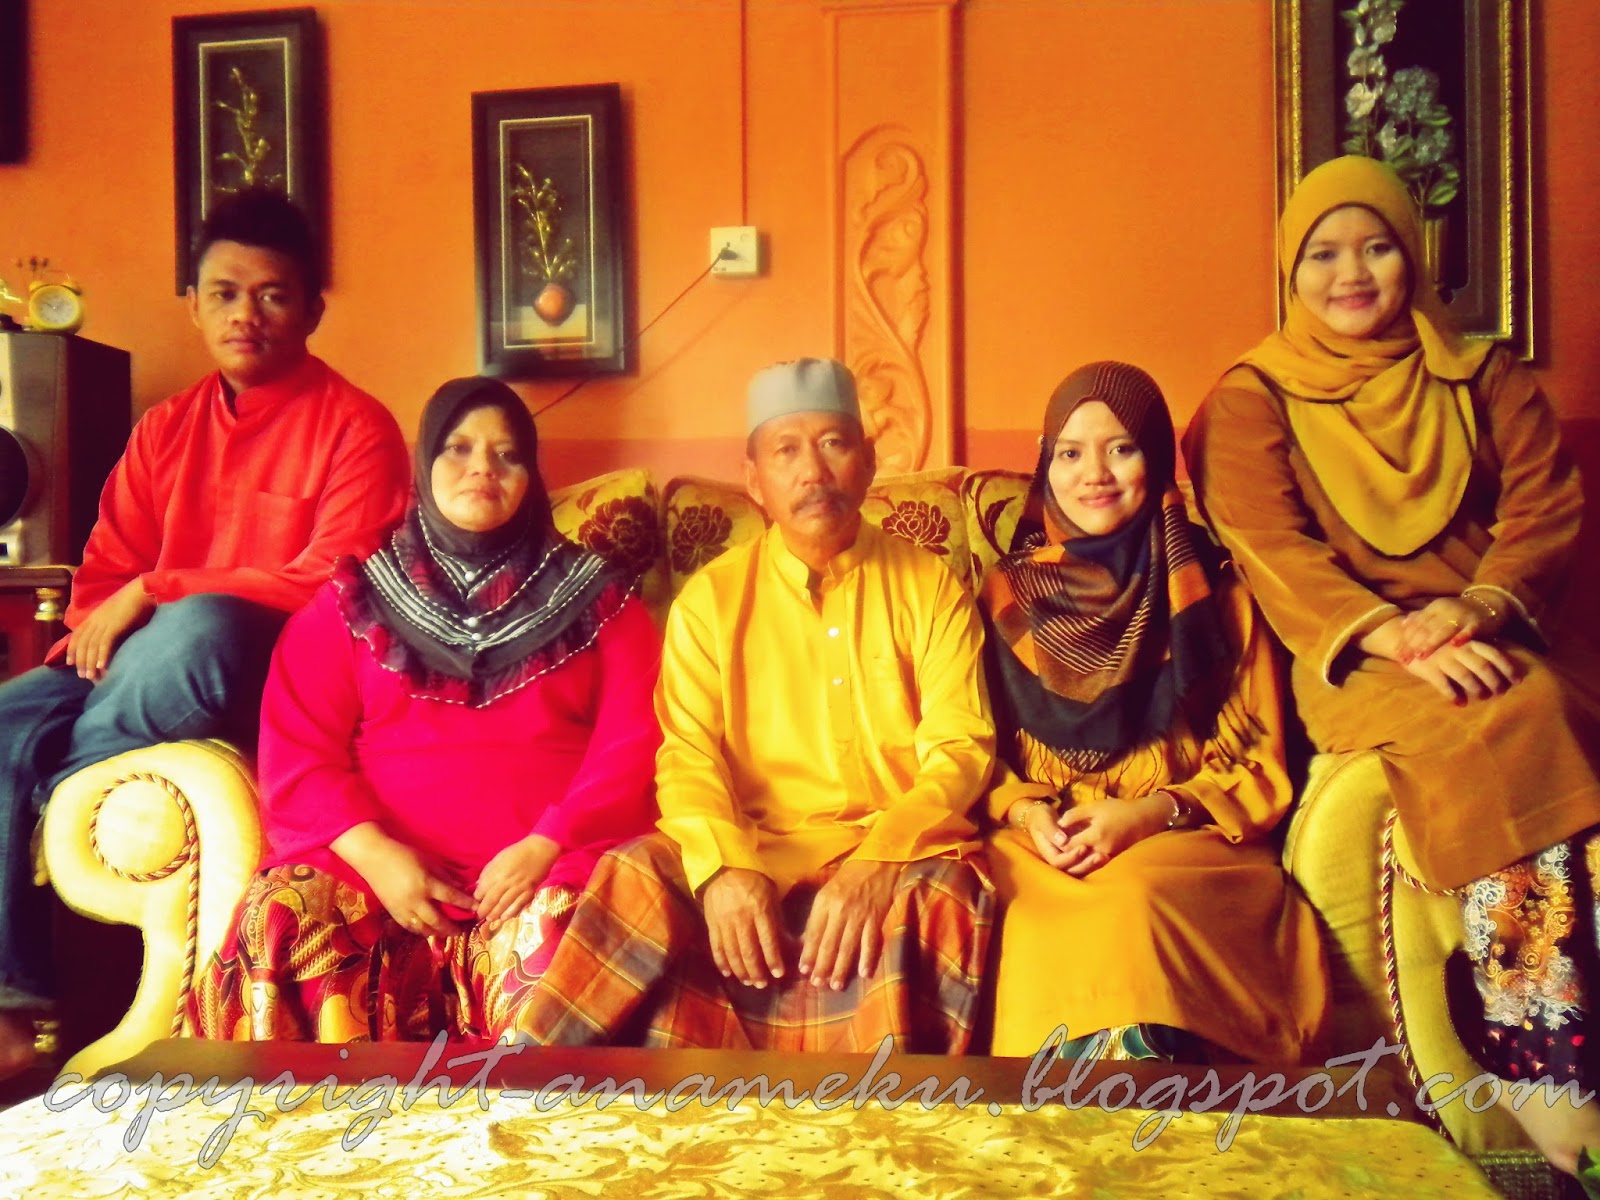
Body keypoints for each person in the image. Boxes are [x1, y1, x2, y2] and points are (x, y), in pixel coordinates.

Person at [1184, 155, 1600, 1182]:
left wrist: (1475, 608)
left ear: (1413, 256)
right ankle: (1538, 1049)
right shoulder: (1251, 398)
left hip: (1493, 631)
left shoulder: (1481, 375)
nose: (1351, 273)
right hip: (1357, 662)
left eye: (1375, 247)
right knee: (1510, 715)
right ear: (1290, 271)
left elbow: (1544, 507)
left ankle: (1538, 1038)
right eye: (1323, 254)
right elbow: (1270, 547)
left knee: (1527, 699)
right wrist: (1394, 633)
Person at [0, 190, 409, 1083]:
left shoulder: (358, 427)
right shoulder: (164, 430)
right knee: (9, 714)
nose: (244, 315)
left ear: (312, 310)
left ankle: (44, 784)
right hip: (135, 675)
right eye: (224, 294)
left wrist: (161, 588)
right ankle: (13, 1006)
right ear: (193, 304)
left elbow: (330, 587)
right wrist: (109, 625)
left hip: (265, 671)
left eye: (272, 295)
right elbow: (103, 577)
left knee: (207, 623)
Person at [520, 357, 995, 1053]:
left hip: (889, 850)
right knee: (634, 872)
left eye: (833, 444)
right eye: (787, 451)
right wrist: (724, 866)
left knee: (949, 895)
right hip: (754, 843)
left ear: (868, 461)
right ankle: (529, 1089)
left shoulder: (931, 588)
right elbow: (687, 755)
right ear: (754, 480)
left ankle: (889, 1107)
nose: (813, 472)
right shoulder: (711, 602)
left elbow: (961, 748)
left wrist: (879, 861)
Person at [189, 377, 661, 1042]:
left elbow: (634, 741)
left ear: (531, 476)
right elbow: (297, 749)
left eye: (507, 454)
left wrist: (546, 844)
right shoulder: (352, 601)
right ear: (424, 464)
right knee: (284, 913)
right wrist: (378, 856)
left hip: (550, 867)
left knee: (578, 929)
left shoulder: (602, 603)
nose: (483, 468)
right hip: (373, 870)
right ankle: (306, 1115)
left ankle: (532, 1113)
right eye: (458, 448)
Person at [977, 360, 1325, 1064]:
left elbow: (1258, 766)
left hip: (1184, 838)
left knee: (1132, 903)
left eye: (1122, 448)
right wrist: (1028, 813)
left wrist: (1146, 815)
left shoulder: (1218, 595)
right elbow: (978, 750)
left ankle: (1151, 1116)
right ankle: (1045, 1126)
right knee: (1023, 914)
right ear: (1045, 464)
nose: (1094, 475)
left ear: (1158, 459)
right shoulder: (1004, 596)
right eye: (1070, 453)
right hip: (1044, 841)